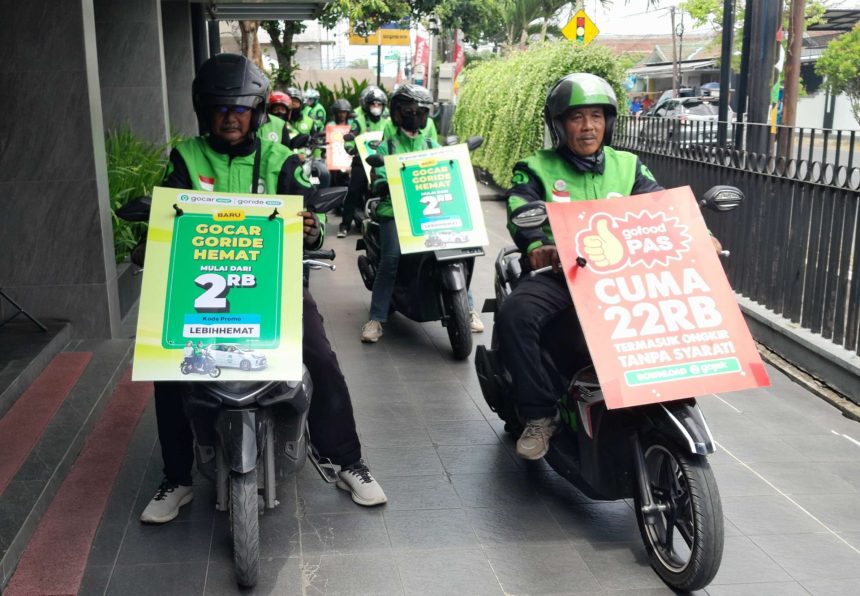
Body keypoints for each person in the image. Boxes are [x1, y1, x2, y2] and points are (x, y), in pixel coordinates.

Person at [140, 53, 386, 524]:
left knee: (319, 353)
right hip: (200, 293)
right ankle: (177, 476)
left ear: (255, 112)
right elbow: (167, 213)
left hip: (273, 288)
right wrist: (147, 240)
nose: (231, 116)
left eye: (241, 108)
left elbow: (304, 215)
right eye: (221, 107)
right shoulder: (186, 158)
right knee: (167, 362)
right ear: (205, 111)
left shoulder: (280, 159)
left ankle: (347, 460)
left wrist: (311, 230)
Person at [496, 73, 722, 461]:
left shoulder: (629, 165)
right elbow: (520, 211)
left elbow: (660, 208)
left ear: (609, 121)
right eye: (577, 117)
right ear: (559, 124)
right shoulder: (534, 166)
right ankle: (539, 414)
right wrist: (538, 247)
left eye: (597, 116)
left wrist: (700, 235)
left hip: (623, 277)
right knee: (516, 313)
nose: (588, 127)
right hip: (563, 275)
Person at [359, 84, 483, 343]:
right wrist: (382, 180)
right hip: (394, 209)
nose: (415, 115)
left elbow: (445, 165)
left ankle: (468, 309)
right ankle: (376, 318)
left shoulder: (430, 143)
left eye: (421, 111)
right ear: (397, 113)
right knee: (391, 259)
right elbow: (378, 175)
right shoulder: (388, 147)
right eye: (409, 110)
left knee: (460, 248)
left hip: (431, 207)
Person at [337, 86, 391, 238]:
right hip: (362, 162)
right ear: (366, 106)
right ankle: (345, 225)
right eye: (373, 104)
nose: (376, 107)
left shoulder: (387, 123)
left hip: (381, 163)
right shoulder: (359, 121)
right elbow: (350, 137)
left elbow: (391, 141)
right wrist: (350, 148)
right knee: (353, 191)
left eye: (379, 104)